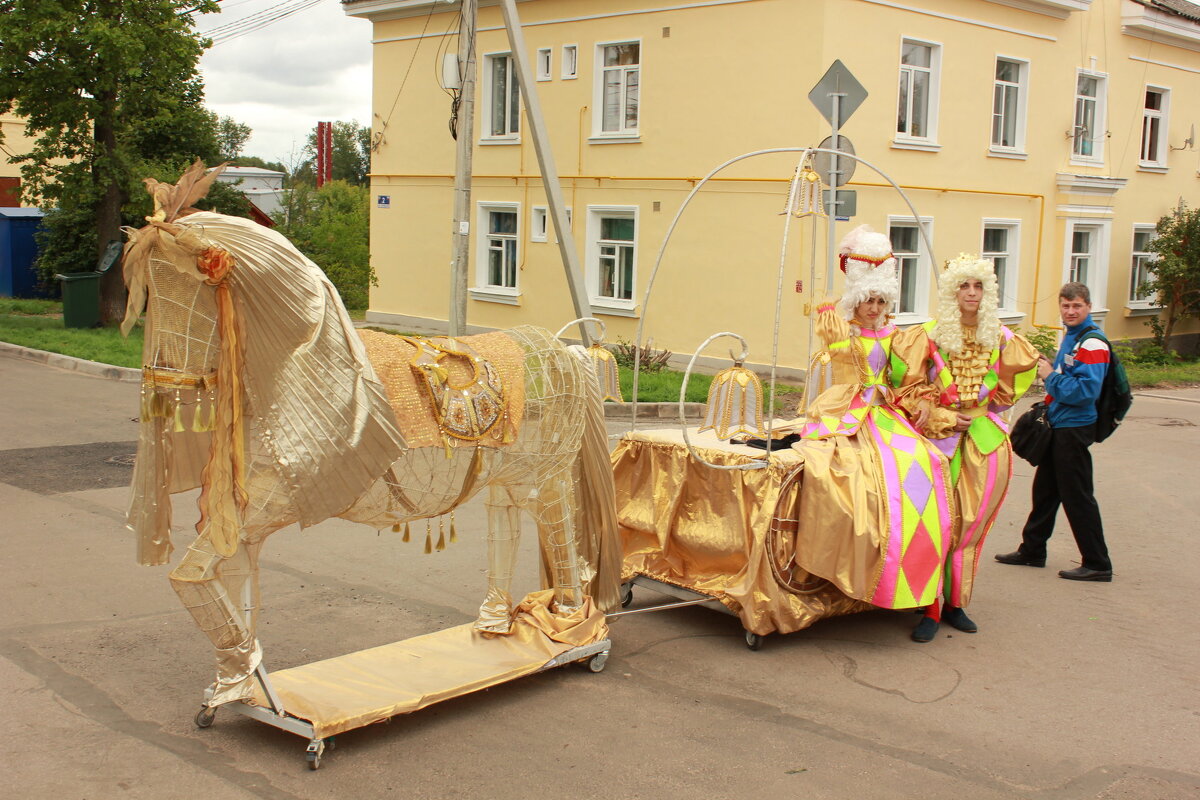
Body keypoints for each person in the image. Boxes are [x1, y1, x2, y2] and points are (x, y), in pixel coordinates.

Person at [781, 225, 958, 613]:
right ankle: (845, 566)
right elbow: (845, 368)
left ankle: (906, 573)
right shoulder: (844, 333)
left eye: (880, 300)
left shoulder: (900, 336)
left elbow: (910, 377)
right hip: (848, 411)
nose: (875, 308)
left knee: (923, 465)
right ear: (856, 301)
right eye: (868, 301)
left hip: (887, 412)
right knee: (848, 475)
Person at [893, 254, 1039, 642]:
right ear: (951, 291)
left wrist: (987, 410)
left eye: (978, 286)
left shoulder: (1003, 338)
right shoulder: (926, 334)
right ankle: (928, 606)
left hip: (985, 442)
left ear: (987, 292)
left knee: (969, 527)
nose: (971, 293)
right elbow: (905, 389)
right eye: (964, 285)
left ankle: (956, 603)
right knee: (932, 523)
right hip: (936, 442)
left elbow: (1014, 386)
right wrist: (939, 414)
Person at [995, 282, 1112, 581]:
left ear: (1088, 307)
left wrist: (1050, 378)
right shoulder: (1073, 338)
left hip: (1074, 428)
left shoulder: (1092, 344)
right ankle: (1032, 550)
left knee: (1078, 496)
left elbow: (1086, 391)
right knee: (1045, 491)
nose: (1070, 311)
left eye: (1076, 306)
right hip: (1060, 425)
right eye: (1065, 306)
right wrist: (1052, 371)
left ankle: (1098, 563)